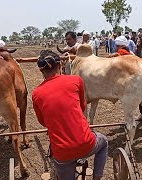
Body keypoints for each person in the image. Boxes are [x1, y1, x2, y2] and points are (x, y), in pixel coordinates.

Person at [32, 50, 108, 180]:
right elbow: (82, 107)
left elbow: (43, 122)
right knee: (104, 142)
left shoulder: (36, 94)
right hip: (87, 144)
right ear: (60, 65)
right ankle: (97, 177)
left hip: (63, 154)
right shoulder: (76, 80)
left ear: (41, 71)